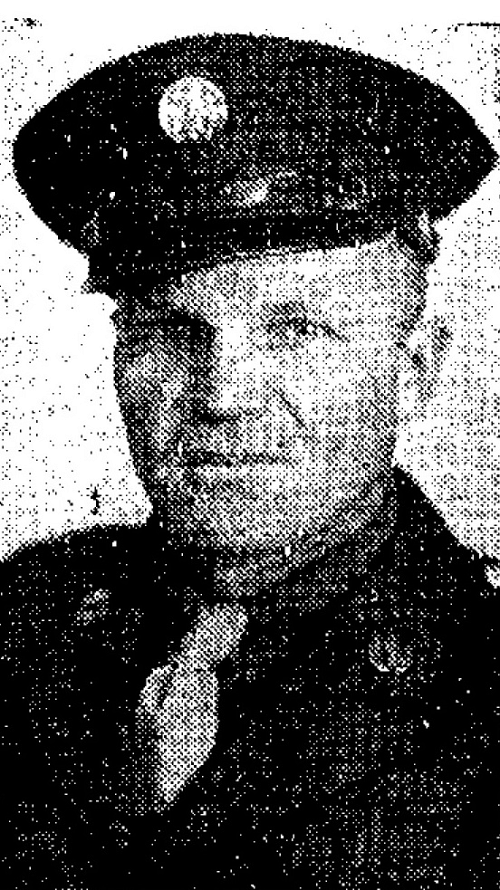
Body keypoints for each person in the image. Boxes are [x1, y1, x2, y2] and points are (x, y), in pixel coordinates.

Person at [2, 32, 499, 889]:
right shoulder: (23, 623)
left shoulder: (480, 680)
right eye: (172, 331)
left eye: (297, 332)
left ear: (414, 372)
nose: (224, 394)